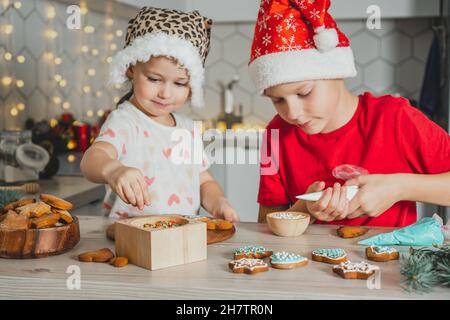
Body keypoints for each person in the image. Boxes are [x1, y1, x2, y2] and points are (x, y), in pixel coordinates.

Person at [249, 0, 450, 226]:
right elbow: (265, 224)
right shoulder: (275, 134)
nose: (292, 113)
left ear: (336, 72)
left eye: (304, 93)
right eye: (278, 100)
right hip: (307, 261)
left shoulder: (395, 118)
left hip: (389, 260)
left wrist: (398, 188)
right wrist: (305, 209)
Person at [81, 7, 239, 222]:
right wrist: (113, 169)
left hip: (181, 235)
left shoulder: (187, 128)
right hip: (130, 237)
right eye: (154, 79)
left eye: (179, 83)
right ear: (131, 69)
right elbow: (92, 159)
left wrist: (219, 201)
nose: (165, 93)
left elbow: (202, 180)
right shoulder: (126, 120)